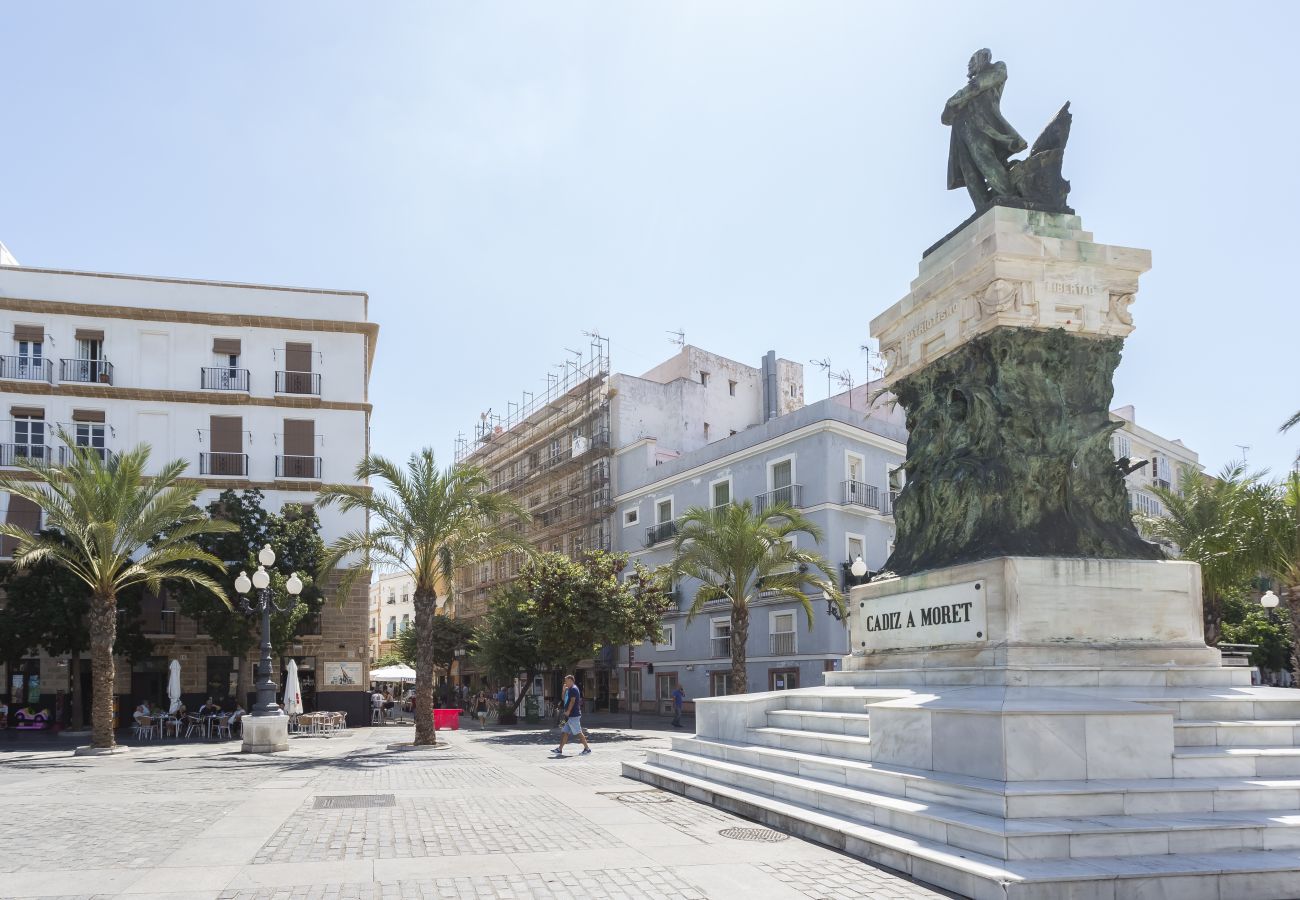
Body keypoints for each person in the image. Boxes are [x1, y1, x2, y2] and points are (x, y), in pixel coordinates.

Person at [551, 674, 591, 757]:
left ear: (571, 681)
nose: (565, 682)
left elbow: (572, 701)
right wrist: (563, 690)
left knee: (578, 732)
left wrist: (568, 711)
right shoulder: (569, 689)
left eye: (566, 681)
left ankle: (587, 749)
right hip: (568, 716)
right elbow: (563, 698)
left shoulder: (573, 689)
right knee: (564, 732)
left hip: (573, 715)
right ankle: (559, 749)